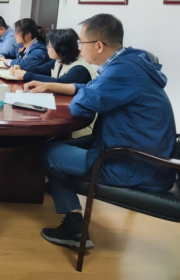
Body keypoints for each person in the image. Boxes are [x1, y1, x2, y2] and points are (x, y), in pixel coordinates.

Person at [24, 14, 177, 252]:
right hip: (138, 150)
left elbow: (80, 106)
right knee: (53, 146)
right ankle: (72, 218)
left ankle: (73, 228)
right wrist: (52, 85)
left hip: (134, 165)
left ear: (98, 46)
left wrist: (81, 92)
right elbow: (92, 89)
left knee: (49, 153)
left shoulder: (121, 72)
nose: (78, 47)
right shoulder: (131, 62)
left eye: (81, 43)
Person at [11, 28, 96, 137]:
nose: (47, 48)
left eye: (49, 45)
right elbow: (40, 69)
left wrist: (26, 75)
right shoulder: (60, 60)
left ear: (61, 48)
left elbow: (59, 83)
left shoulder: (80, 69)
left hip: (76, 128)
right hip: (63, 114)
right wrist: (22, 68)